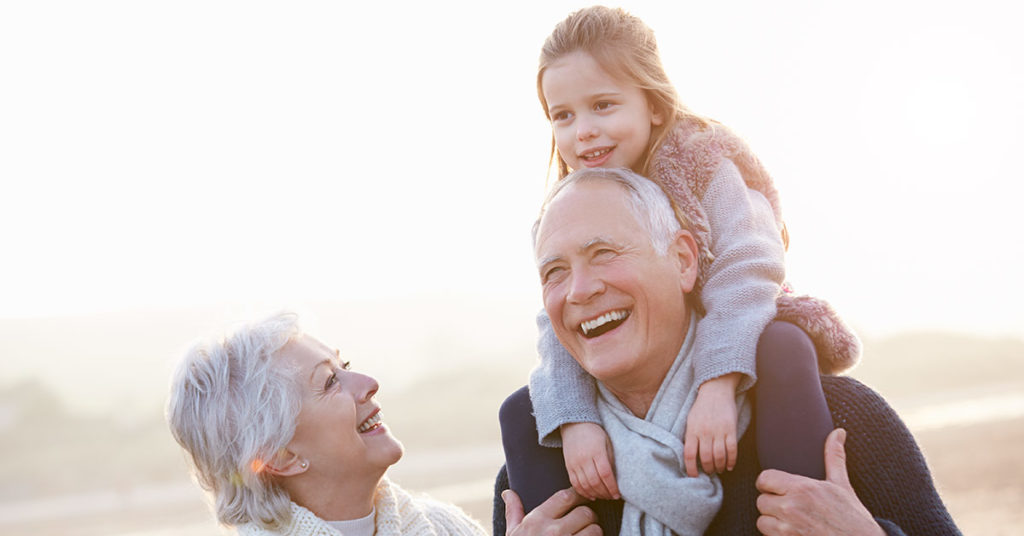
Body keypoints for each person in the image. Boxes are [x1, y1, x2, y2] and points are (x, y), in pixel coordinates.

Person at [516, 5, 860, 508]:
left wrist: (717, 385)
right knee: (519, 411)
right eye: (562, 116)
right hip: (645, 355)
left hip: (738, 326)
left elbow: (748, 266)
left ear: (654, 105)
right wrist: (575, 421)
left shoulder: (703, 163)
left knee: (784, 346)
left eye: (603, 105)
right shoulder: (569, 208)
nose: (582, 130)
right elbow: (559, 321)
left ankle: (796, 507)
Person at [495, 168, 960, 534]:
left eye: (604, 254)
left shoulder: (841, 421)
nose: (579, 289)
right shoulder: (537, 481)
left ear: (683, 260)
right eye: (554, 271)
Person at [166, 313, 505, 536]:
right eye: (329, 381)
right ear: (281, 456)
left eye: (346, 366)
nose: (368, 382)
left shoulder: (444, 526)